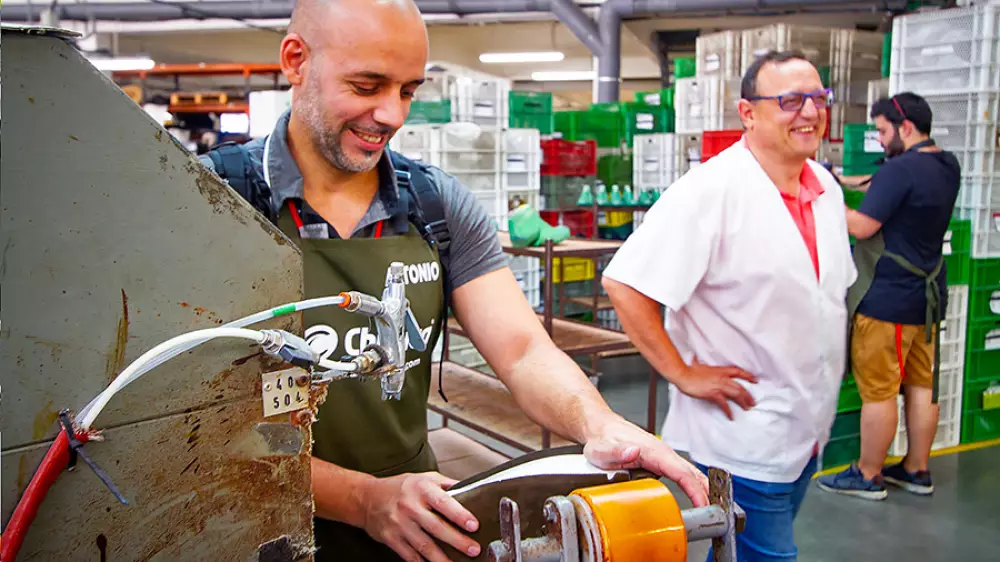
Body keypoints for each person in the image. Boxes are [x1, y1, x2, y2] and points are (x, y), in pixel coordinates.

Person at [199, 1, 709, 561]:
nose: (392, 114)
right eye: (367, 85)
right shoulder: (214, 202)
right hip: (254, 523)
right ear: (296, 61)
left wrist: (600, 423)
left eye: (407, 90)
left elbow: (519, 350)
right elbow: (188, 423)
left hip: (419, 520)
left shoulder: (435, 207)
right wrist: (364, 499)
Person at [602, 51, 856, 562]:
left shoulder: (824, 187)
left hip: (805, 428)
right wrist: (682, 373)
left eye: (818, 98)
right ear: (748, 112)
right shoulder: (710, 191)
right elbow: (626, 285)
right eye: (789, 100)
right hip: (741, 436)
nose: (809, 112)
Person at [818, 93, 960, 500]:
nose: (879, 140)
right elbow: (879, 183)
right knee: (920, 384)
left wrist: (822, 196)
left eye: (882, 131)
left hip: (888, 302)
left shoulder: (900, 171)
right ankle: (916, 469)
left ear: (906, 127)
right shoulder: (945, 164)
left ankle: (868, 474)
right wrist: (839, 178)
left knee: (878, 390)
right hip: (927, 300)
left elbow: (861, 226)